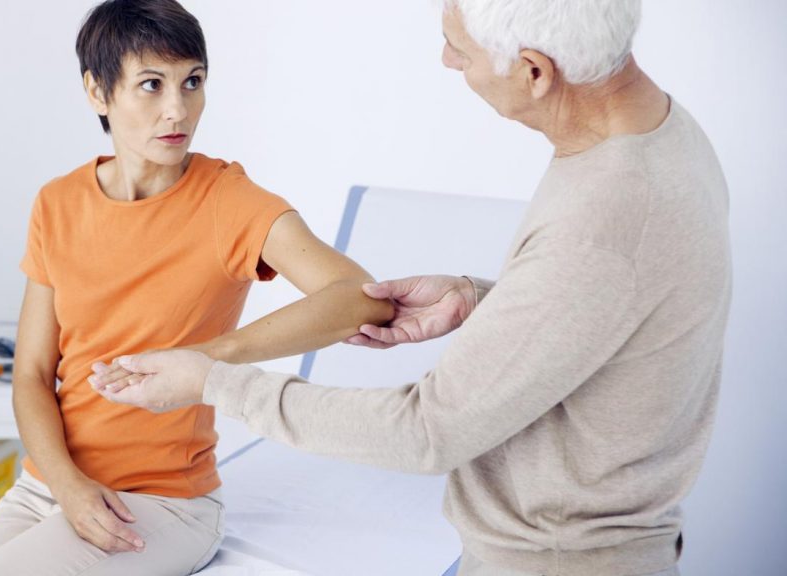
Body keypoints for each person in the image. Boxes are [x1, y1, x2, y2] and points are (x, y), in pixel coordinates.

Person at [102, 1, 732, 575]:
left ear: (535, 72)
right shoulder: (657, 133)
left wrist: (215, 382)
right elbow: (603, 300)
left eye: (460, 49)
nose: (448, 60)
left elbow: (425, 433)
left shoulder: (604, 218)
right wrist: (483, 297)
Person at [0, 1, 392, 575]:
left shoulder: (227, 200)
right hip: (48, 486)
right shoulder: (57, 203)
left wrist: (209, 358)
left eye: (192, 82)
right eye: (151, 85)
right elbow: (31, 372)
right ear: (98, 92)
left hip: (164, 503)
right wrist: (67, 485)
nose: (178, 109)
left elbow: (359, 296)